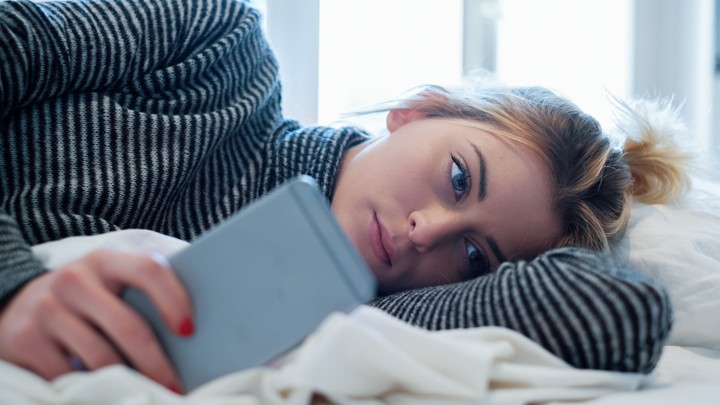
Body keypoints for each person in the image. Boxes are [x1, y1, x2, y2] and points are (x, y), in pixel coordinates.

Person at [0, 0, 688, 394]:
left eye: (474, 253)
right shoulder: (215, 47)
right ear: (417, 111)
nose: (426, 231)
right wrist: (13, 289)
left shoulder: (365, 310)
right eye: (458, 178)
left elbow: (617, 314)